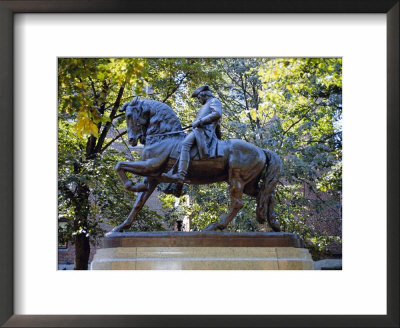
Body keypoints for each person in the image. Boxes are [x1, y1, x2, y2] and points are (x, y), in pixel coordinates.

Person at [162, 85, 223, 184]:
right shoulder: (206, 105)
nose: (199, 100)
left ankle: (181, 175)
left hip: (204, 132)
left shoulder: (214, 101)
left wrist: (200, 121)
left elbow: (217, 113)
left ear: (205, 95)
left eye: (199, 98)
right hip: (199, 131)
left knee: (185, 144)